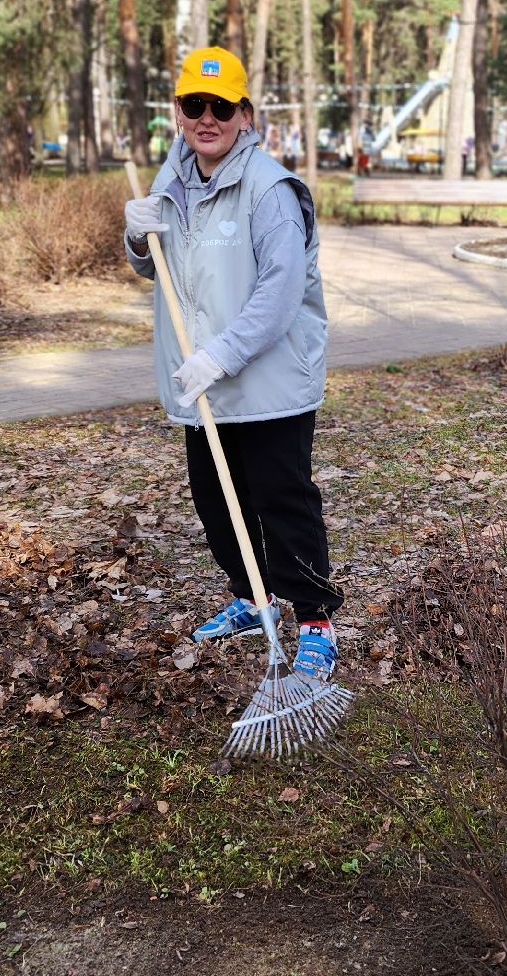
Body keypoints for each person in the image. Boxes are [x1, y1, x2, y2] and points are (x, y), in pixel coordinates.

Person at [122, 46, 343, 682]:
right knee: (218, 502)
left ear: (245, 115)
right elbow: (153, 269)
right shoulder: (172, 181)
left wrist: (222, 354)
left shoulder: (270, 190)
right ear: (179, 112)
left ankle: (316, 623)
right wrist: (138, 237)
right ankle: (253, 598)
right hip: (203, 383)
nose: (207, 118)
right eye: (196, 105)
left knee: (283, 501)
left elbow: (280, 292)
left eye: (222, 106)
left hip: (267, 381)